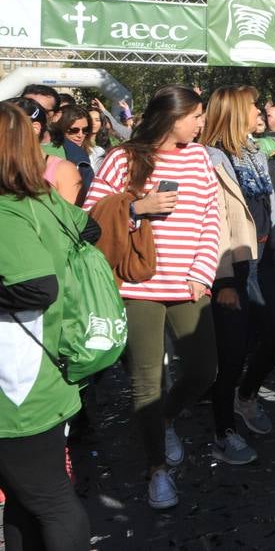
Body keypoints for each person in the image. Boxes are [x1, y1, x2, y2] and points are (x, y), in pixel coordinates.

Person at [83, 85, 221, 511]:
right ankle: (156, 469)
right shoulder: (123, 157)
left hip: (188, 286)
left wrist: (202, 271)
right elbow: (90, 219)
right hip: (136, 285)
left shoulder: (199, 157)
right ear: (173, 117)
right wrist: (137, 210)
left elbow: (212, 217)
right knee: (146, 381)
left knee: (203, 371)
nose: (201, 123)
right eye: (196, 115)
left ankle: (163, 419)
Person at [0, 101, 95, 550]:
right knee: (26, 499)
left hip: (19, 385)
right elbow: (89, 229)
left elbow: (38, 288)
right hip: (48, 370)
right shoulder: (43, 200)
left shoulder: (8, 209)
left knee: (48, 498)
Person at [201, 86, 275, 465]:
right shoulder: (210, 159)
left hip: (263, 259)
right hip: (231, 266)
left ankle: (246, 395)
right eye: (254, 106)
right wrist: (225, 280)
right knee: (231, 355)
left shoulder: (254, 152)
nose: (261, 111)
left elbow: (269, 207)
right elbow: (213, 223)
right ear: (236, 112)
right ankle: (224, 429)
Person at [9, 97, 83, 204]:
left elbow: (70, 218)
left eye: (6, 127)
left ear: (35, 128)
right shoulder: (5, 167)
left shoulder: (62, 171)